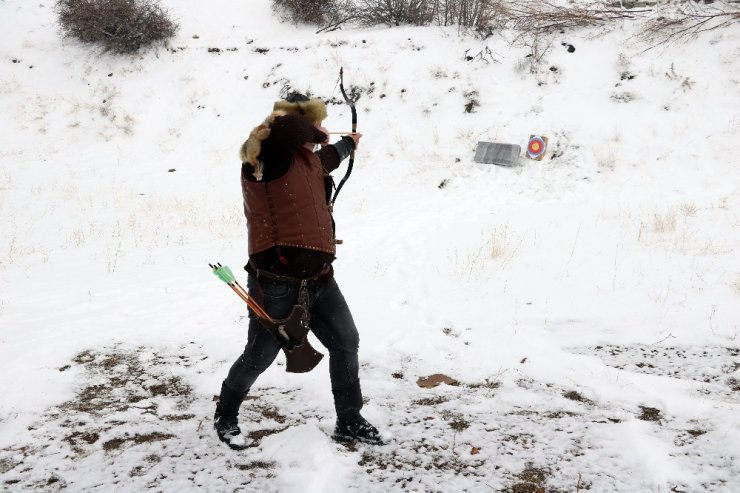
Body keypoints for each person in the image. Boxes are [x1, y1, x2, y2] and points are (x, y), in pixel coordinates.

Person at [213, 92, 384, 450]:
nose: (319, 129)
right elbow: (283, 129)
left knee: (346, 341)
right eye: (314, 122)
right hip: (274, 282)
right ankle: (226, 415)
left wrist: (346, 145)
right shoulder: (267, 157)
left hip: (320, 278)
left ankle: (349, 420)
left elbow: (329, 158)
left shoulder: (307, 160)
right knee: (259, 355)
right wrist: (315, 127)